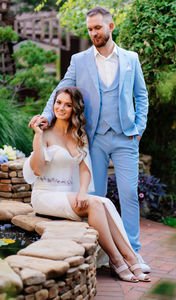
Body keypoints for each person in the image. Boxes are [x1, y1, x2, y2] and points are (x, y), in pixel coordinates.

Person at [29, 6, 150, 272]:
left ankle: (134, 252)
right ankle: (100, 254)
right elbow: (60, 89)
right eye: (90, 29)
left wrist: (138, 128)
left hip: (124, 136)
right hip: (94, 137)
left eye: (97, 27)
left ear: (111, 26)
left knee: (129, 194)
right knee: (96, 196)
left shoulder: (131, 58)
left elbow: (141, 96)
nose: (93, 32)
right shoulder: (79, 60)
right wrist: (48, 116)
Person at [24, 87, 150, 283]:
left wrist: (83, 191)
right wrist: (38, 136)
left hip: (68, 194)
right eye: (58, 103)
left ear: (75, 109)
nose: (61, 108)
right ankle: (118, 260)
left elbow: (84, 170)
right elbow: (38, 169)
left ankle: (130, 258)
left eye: (68, 104)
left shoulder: (79, 135)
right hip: (45, 195)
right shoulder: (45, 133)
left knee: (104, 202)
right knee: (95, 204)